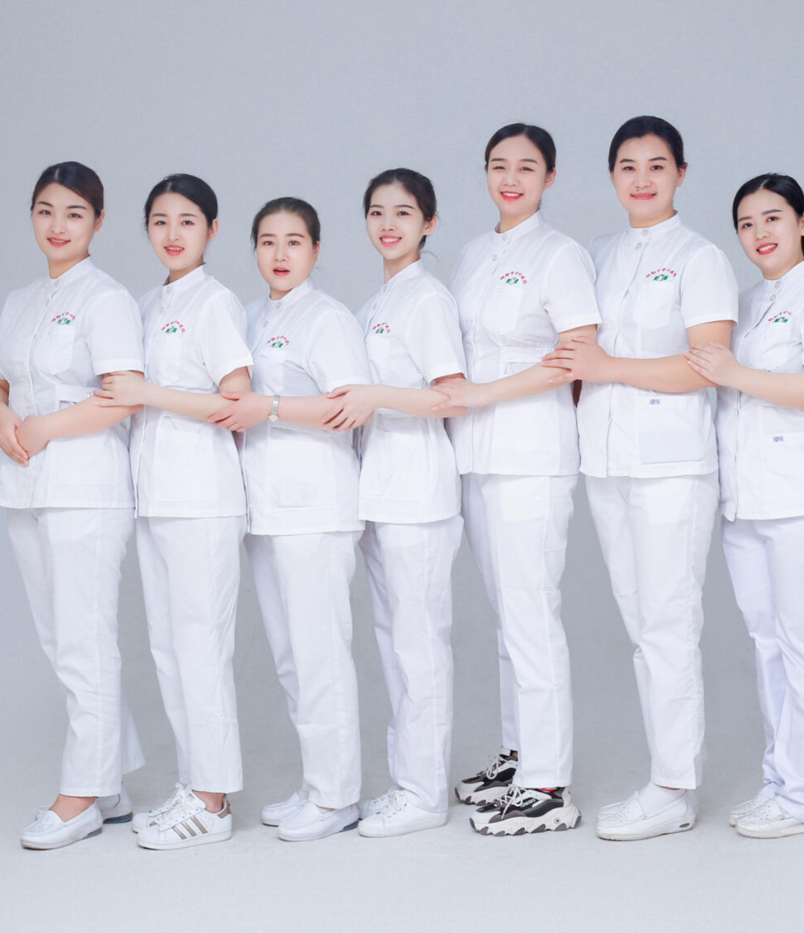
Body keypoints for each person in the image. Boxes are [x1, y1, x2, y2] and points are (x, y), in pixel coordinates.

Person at [544, 115, 737, 841]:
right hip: (607, 461)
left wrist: (607, 368)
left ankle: (674, 787)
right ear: (611, 176)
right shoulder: (597, 253)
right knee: (640, 624)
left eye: (657, 165)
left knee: (667, 623)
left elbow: (707, 364)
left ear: (681, 173)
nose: (642, 179)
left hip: (671, 467)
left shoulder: (700, 258)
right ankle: (667, 776)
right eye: (628, 166)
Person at [428, 124, 600, 836]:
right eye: (498, 166)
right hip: (476, 452)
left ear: (549, 178)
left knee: (532, 613)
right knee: (507, 615)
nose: (510, 179)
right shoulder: (473, 253)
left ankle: (549, 783)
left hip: (530, 451)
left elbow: (577, 355)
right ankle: (520, 752)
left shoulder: (561, 254)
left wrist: (485, 396)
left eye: (526, 168)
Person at [0, 161, 146, 849]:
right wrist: (3, 420)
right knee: (58, 638)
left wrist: (44, 426)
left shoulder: (107, 298)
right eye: (46, 210)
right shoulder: (21, 300)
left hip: (84, 485)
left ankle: (80, 795)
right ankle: (112, 782)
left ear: (97, 222)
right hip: (24, 481)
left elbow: (123, 395)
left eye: (74, 213)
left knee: (83, 638)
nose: (57, 224)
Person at [689, 173, 804, 838]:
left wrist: (734, 373)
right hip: (748, 505)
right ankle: (781, 779)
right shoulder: (745, 302)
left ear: (803, 222)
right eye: (747, 223)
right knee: (769, 647)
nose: (760, 233)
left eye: (773, 218)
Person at [92, 174, 252, 849]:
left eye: (187, 221)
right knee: (167, 647)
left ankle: (213, 801)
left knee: (201, 645)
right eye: (160, 221)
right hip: (153, 496)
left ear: (212, 231)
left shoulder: (215, 302)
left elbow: (237, 401)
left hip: (203, 497)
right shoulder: (144, 304)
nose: (173, 233)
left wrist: (148, 391)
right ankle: (193, 782)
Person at [208, 198, 370, 842]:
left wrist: (268, 407)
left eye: (294, 241)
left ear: (316, 250)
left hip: (316, 507)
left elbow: (351, 407)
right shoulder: (250, 316)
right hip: (266, 508)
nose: (280, 254)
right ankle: (316, 783)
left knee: (319, 653)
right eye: (268, 241)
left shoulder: (327, 319)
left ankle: (338, 797)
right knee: (290, 657)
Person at [323, 169, 468, 836]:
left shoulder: (428, 299)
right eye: (377, 211)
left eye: (403, 212)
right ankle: (407, 781)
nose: (388, 224)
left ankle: (424, 793)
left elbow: (450, 396)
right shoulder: (374, 304)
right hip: (379, 492)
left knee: (418, 644)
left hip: (418, 492)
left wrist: (375, 398)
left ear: (428, 223)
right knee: (393, 639)